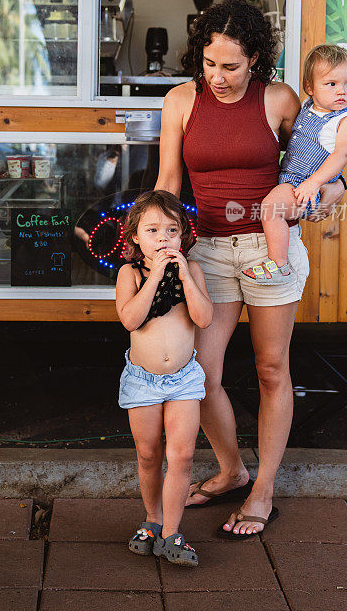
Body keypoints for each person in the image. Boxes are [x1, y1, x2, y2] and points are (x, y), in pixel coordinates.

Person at [155, 0, 345, 539]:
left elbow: (321, 157)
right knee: (201, 375)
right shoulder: (180, 101)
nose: (218, 77)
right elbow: (170, 180)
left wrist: (326, 191)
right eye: (209, 64)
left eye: (231, 66)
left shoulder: (280, 98)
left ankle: (262, 490)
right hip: (208, 251)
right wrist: (153, 246)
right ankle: (232, 469)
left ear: (255, 58)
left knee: (270, 370)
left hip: (269, 249)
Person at [116, 190, 213, 566]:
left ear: (183, 236)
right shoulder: (131, 273)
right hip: (142, 380)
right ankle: (152, 519)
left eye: (172, 230)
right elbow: (130, 319)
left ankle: (173, 532)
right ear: (135, 238)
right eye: (153, 230)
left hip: (184, 379)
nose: (163, 238)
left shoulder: (195, 271)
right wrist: (156, 274)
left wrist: (185, 274)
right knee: (148, 453)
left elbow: (203, 319)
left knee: (183, 454)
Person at [243, 44, 347, 283]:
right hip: (292, 181)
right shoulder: (309, 107)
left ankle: (278, 264)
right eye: (332, 84)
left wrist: (313, 183)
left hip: (306, 187)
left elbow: (342, 155)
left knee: (269, 209)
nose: (342, 91)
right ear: (310, 88)